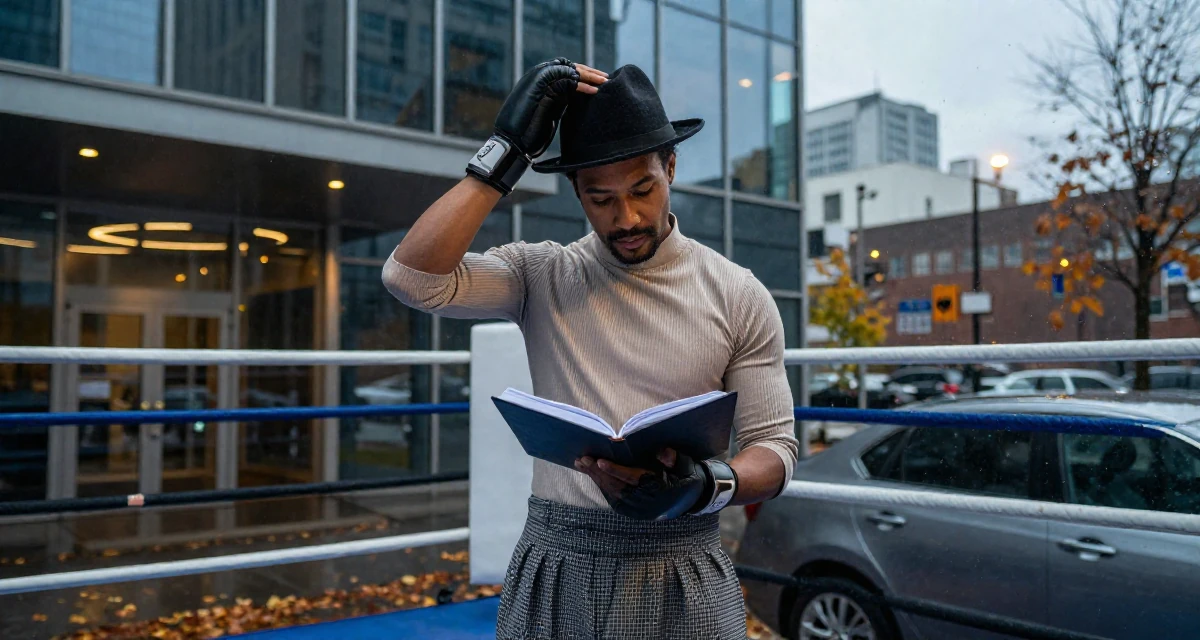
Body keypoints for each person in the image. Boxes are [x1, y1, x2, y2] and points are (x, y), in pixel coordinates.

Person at [383, 58, 798, 639]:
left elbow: (776, 451)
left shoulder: (737, 292)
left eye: (642, 189)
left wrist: (706, 484)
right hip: (556, 561)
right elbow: (411, 279)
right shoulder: (542, 273)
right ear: (576, 191)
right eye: (600, 198)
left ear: (671, 166)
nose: (625, 217)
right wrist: (504, 151)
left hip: (683, 562)